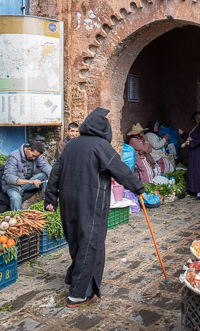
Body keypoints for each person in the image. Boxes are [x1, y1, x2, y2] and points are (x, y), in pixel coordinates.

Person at [44, 108, 145, 308]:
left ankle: (75, 279)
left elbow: (55, 172)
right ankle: (78, 294)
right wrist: (139, 188)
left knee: (76, 241)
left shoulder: (71, 145)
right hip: (90, 203)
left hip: (68, 203)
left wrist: (50, 198)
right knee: (90, 244)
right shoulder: (101, 146)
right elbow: (121, 170)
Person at [2, 141, 52, 211]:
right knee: (16, 197)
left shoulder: (35, 156)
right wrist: (31, 182)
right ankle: (19, 216)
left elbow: (44, 165)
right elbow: (9, 178)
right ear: (28, 149)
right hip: (12, 186)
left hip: (25, 183)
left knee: (44, 176)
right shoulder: (13, 157)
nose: (34, 158)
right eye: (33, 155)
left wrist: (51, 173)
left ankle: (48, 203)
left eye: (36, 157)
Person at [179, 112, 200, 199]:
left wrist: (191, 143)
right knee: (198, 170)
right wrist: (183, 133)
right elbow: (194, 136)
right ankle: (197, 189)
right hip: (198, 152)